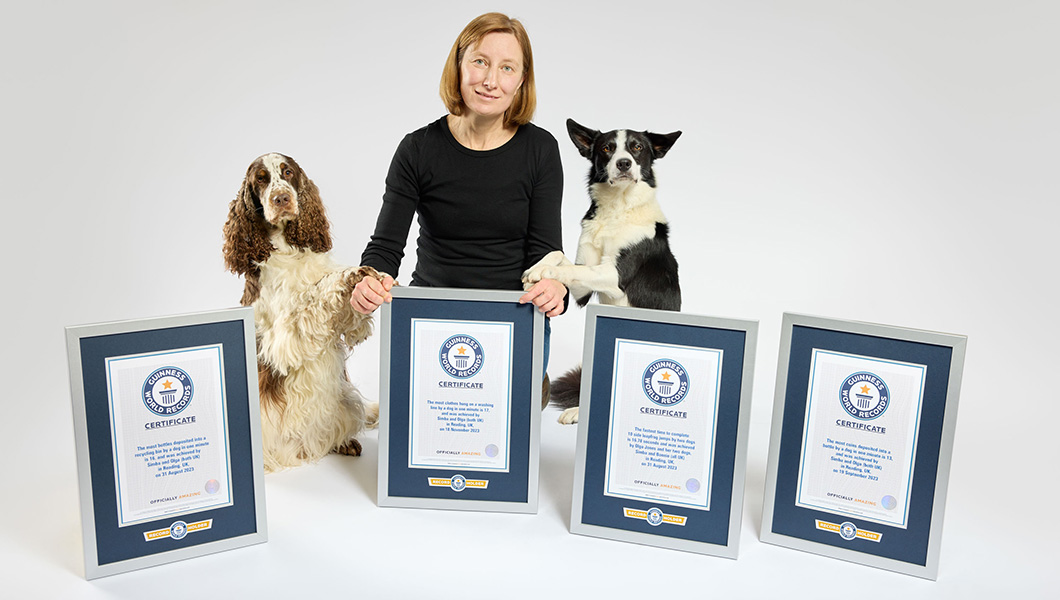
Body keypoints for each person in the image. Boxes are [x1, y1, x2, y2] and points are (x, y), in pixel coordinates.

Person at [351, 11, 567, 321]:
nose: (490, 81)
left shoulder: (541, 149)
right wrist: (369, 280)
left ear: (521, 81)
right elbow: (385, 248)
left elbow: (546, 253)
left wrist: (554, 286)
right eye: (480, 62)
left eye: (507, 68)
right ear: (458, 66)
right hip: (430, 309)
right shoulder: (417, 149)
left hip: (515, 313)